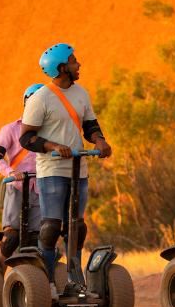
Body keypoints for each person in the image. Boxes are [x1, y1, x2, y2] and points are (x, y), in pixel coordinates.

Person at [19, 43, 112, 286]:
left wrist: (100, 141)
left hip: (79, 169)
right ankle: (47, 283)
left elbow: (90, 125)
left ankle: (74, 279)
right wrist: (53, 146)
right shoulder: (40, 99)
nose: (78, 64)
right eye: (73, 61)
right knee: (51, 227)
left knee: (77, 227)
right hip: (52, 171)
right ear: (61, 68)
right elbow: (26, 138)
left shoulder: (81, 93)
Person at [0, 83, 44, 260]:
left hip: (40, 187)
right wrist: (10, 173)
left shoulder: (51, 130)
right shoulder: (11, 129)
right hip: (17, 186)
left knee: (35, 239)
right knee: (11, 238)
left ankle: (27, 275)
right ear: (26, 103)